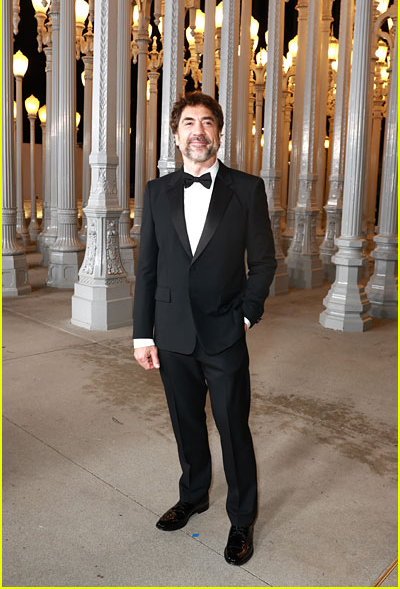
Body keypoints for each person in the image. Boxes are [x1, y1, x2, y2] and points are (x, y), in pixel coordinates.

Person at [133, 92, 276, 566]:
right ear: (176, 136)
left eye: (207, 122)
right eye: (189, 122)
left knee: (234, 427)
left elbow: (262, 262)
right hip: (171, 335)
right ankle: (194, 495)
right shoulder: (156, 192)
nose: (199, 130)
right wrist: (142, 334)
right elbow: (148, 269)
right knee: (185, 423)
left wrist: (246, 315)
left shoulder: (248, 188)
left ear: (218, 132)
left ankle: (241, 518)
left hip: (225, 332)